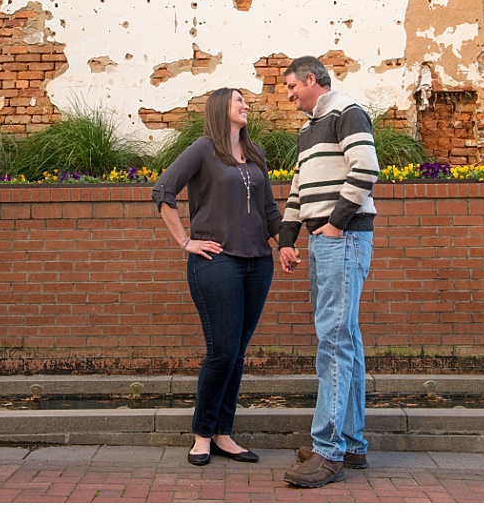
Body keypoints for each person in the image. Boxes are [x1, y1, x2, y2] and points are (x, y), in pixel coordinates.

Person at [153, 87, 282, 466]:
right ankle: (202, 434)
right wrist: (185, 240)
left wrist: (287, 242)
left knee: (237, 353)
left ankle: (224, 433)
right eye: (238, 100)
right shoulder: (203, 148)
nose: (246, 105)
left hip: (258, 263)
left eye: (245, 101)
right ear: (220, 108)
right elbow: (163, 189)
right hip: (216, 262)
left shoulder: (254, 153)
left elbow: (269, 210)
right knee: (222, 351)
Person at [276, 55, 380, 489]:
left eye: (291, 86)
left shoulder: (347, 112)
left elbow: (367, 168)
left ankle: (329, 451)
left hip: (344, 237)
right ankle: (352, 443)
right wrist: (286, 240)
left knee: (334, 342)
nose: (288, 94)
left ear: (312, 79)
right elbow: (300, 190)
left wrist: (335, 224)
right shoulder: (306, 131)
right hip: (325, 240)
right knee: (345, 339)